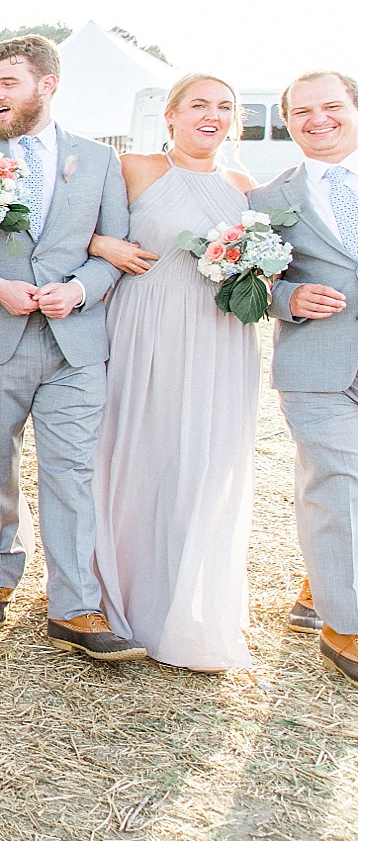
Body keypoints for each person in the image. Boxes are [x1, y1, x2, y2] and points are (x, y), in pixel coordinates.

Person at [0, 34, 146, 662]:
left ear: (48, 84)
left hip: (73, 343)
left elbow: (114, 249)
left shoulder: (98, 161)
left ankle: (75, 604)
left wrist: (79, 290)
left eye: (8, 82)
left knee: (71, 471)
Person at [87, 75, 260, 671]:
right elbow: (65, 223)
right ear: (170, 116)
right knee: (140, 452)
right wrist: (105, 246)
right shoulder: (132, 168)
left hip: (220, 338)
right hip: (144, 328)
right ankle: (122, 596)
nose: (211, 115)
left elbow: (265, 267)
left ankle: (192, 602)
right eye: (198, 105)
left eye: (224, 107)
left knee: (205, 459)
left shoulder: (244, 187)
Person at [249, 69, 358, 684]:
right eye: (302, 113)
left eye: (331, 107)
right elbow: (244, 279)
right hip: (318, 364)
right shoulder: (269, 199)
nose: (318, 121)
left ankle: (323, 582)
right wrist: (288, 297)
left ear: (354, 107)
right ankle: (346, 625)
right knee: (336, 483)